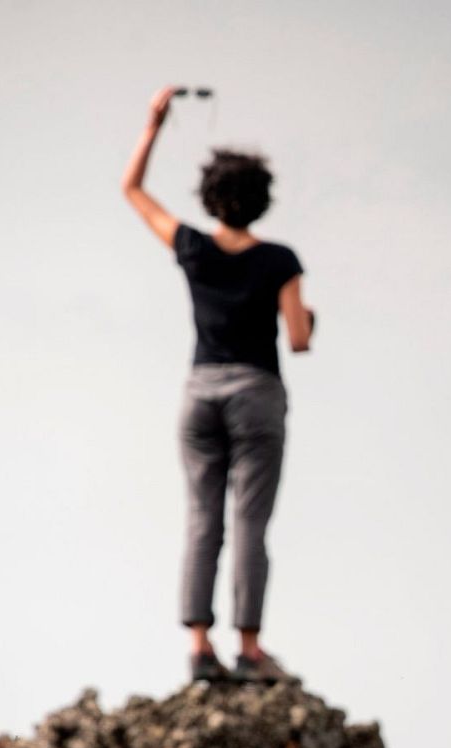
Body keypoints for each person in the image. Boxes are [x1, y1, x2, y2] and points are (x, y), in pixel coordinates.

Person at [120, 85, 314, 684]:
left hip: (199, 393)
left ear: (210, 199)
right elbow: (299, 338)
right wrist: (310, 321)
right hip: (256, 394)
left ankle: (200, 649)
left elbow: (132, 191)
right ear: (261, 202)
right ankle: (250, 651)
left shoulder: (193, 248)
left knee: (203, 520)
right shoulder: (280, 260)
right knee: (251, 524)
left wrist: (152, 126)